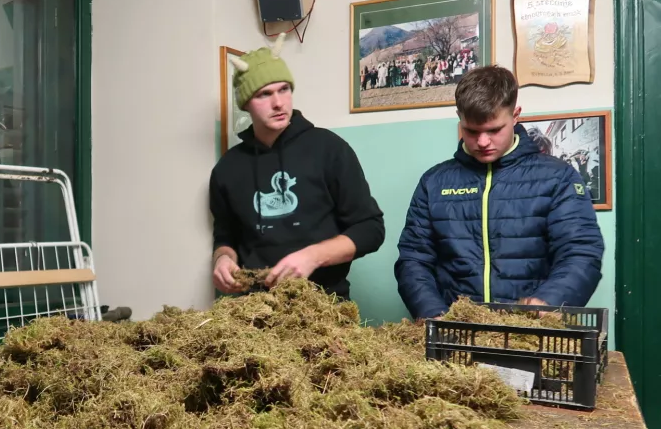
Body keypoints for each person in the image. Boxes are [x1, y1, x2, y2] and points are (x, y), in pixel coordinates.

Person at [395, 65, 604, 321]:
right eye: (471, 131)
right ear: (459, 117)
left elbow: (581, 251)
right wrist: (430, 312)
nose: (482, 142)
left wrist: (550, 301)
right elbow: (413, 259)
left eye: (494, 130)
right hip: (454, 332)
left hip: (531, 331)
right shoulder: (433, 182)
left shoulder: (558, 177)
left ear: (515, 115)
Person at [210, 33, 385, 299]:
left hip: (325, 305)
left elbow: (370, 230)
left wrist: (313, 256)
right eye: (264, 94)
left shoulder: (329, 149)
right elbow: (226, 237)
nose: (278, 103)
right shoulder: (227, 169)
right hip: (253, 309)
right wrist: (222, 260)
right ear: (246, 103)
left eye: (284, 89)